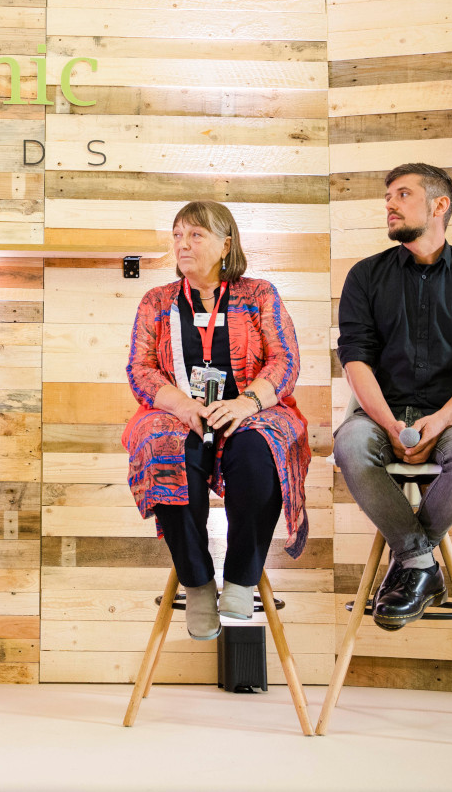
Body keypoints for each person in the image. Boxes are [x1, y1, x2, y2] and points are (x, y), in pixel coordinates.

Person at [122, 200, 312, 640]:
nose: (182, 244)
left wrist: (248, 403)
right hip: (180, 413)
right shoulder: (157, 301)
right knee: (166, 448)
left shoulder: (259, 293)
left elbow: (286, 360)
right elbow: (140, 368)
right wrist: (184, 407)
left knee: (258, 451)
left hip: (250, 409)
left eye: (195, 235)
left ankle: (242, 580)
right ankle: (197, 583)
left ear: (225, 244)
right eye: (177, 235)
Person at [335, 163, 452, 631]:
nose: (389, 204)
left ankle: (412, 564)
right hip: (379, 413)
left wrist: (444, 420)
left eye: (402, 194)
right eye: (388, 195)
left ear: (439, 205)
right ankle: (420, 563)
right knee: (349, 443)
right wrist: (390, 424)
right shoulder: (365, 276)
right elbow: (355, 358)